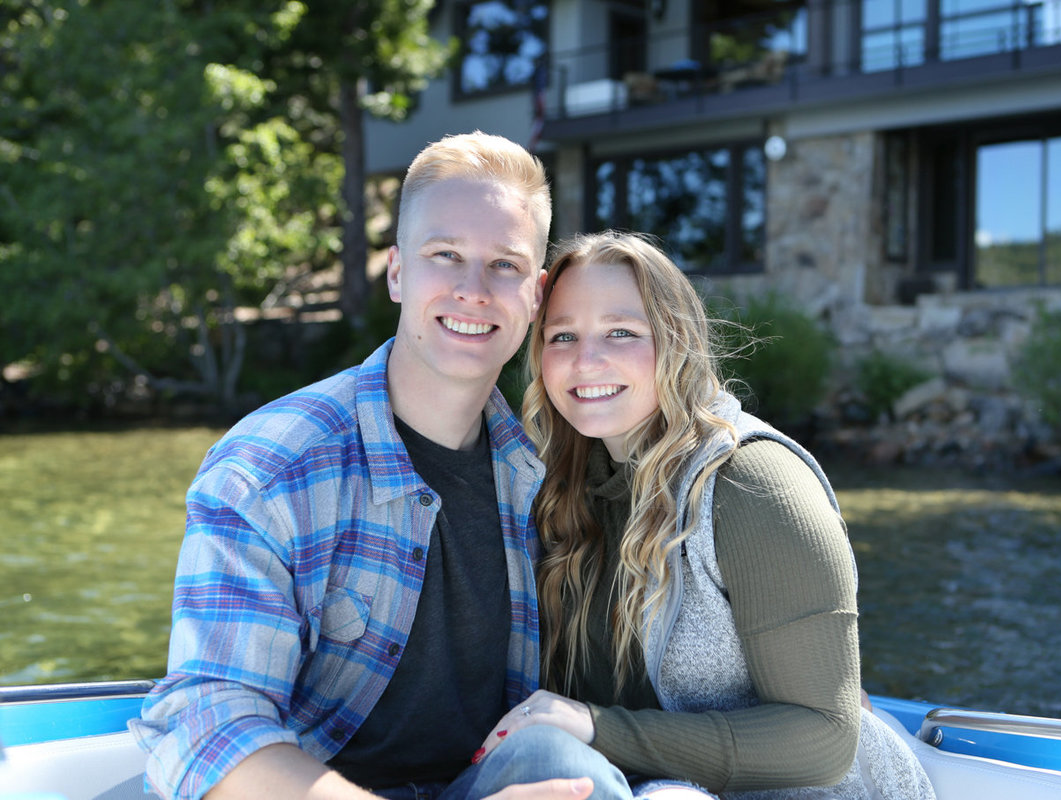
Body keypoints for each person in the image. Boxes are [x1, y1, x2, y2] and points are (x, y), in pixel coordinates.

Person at [130, 133, 631, 800]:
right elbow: (206, 726)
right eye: (444, 255)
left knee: (567, 763)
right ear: (397, 271)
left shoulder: (541, 476)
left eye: (504, 265)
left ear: (537, 295)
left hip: (481, 785)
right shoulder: (272, 467)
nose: (473, 290)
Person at [475, 231, 935, 800]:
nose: (585, 360)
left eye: (621, 332)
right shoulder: (547, 487)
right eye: (562, 335)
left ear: (677, 342)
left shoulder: (754, 485)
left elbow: (825, 738)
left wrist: (600, 729)